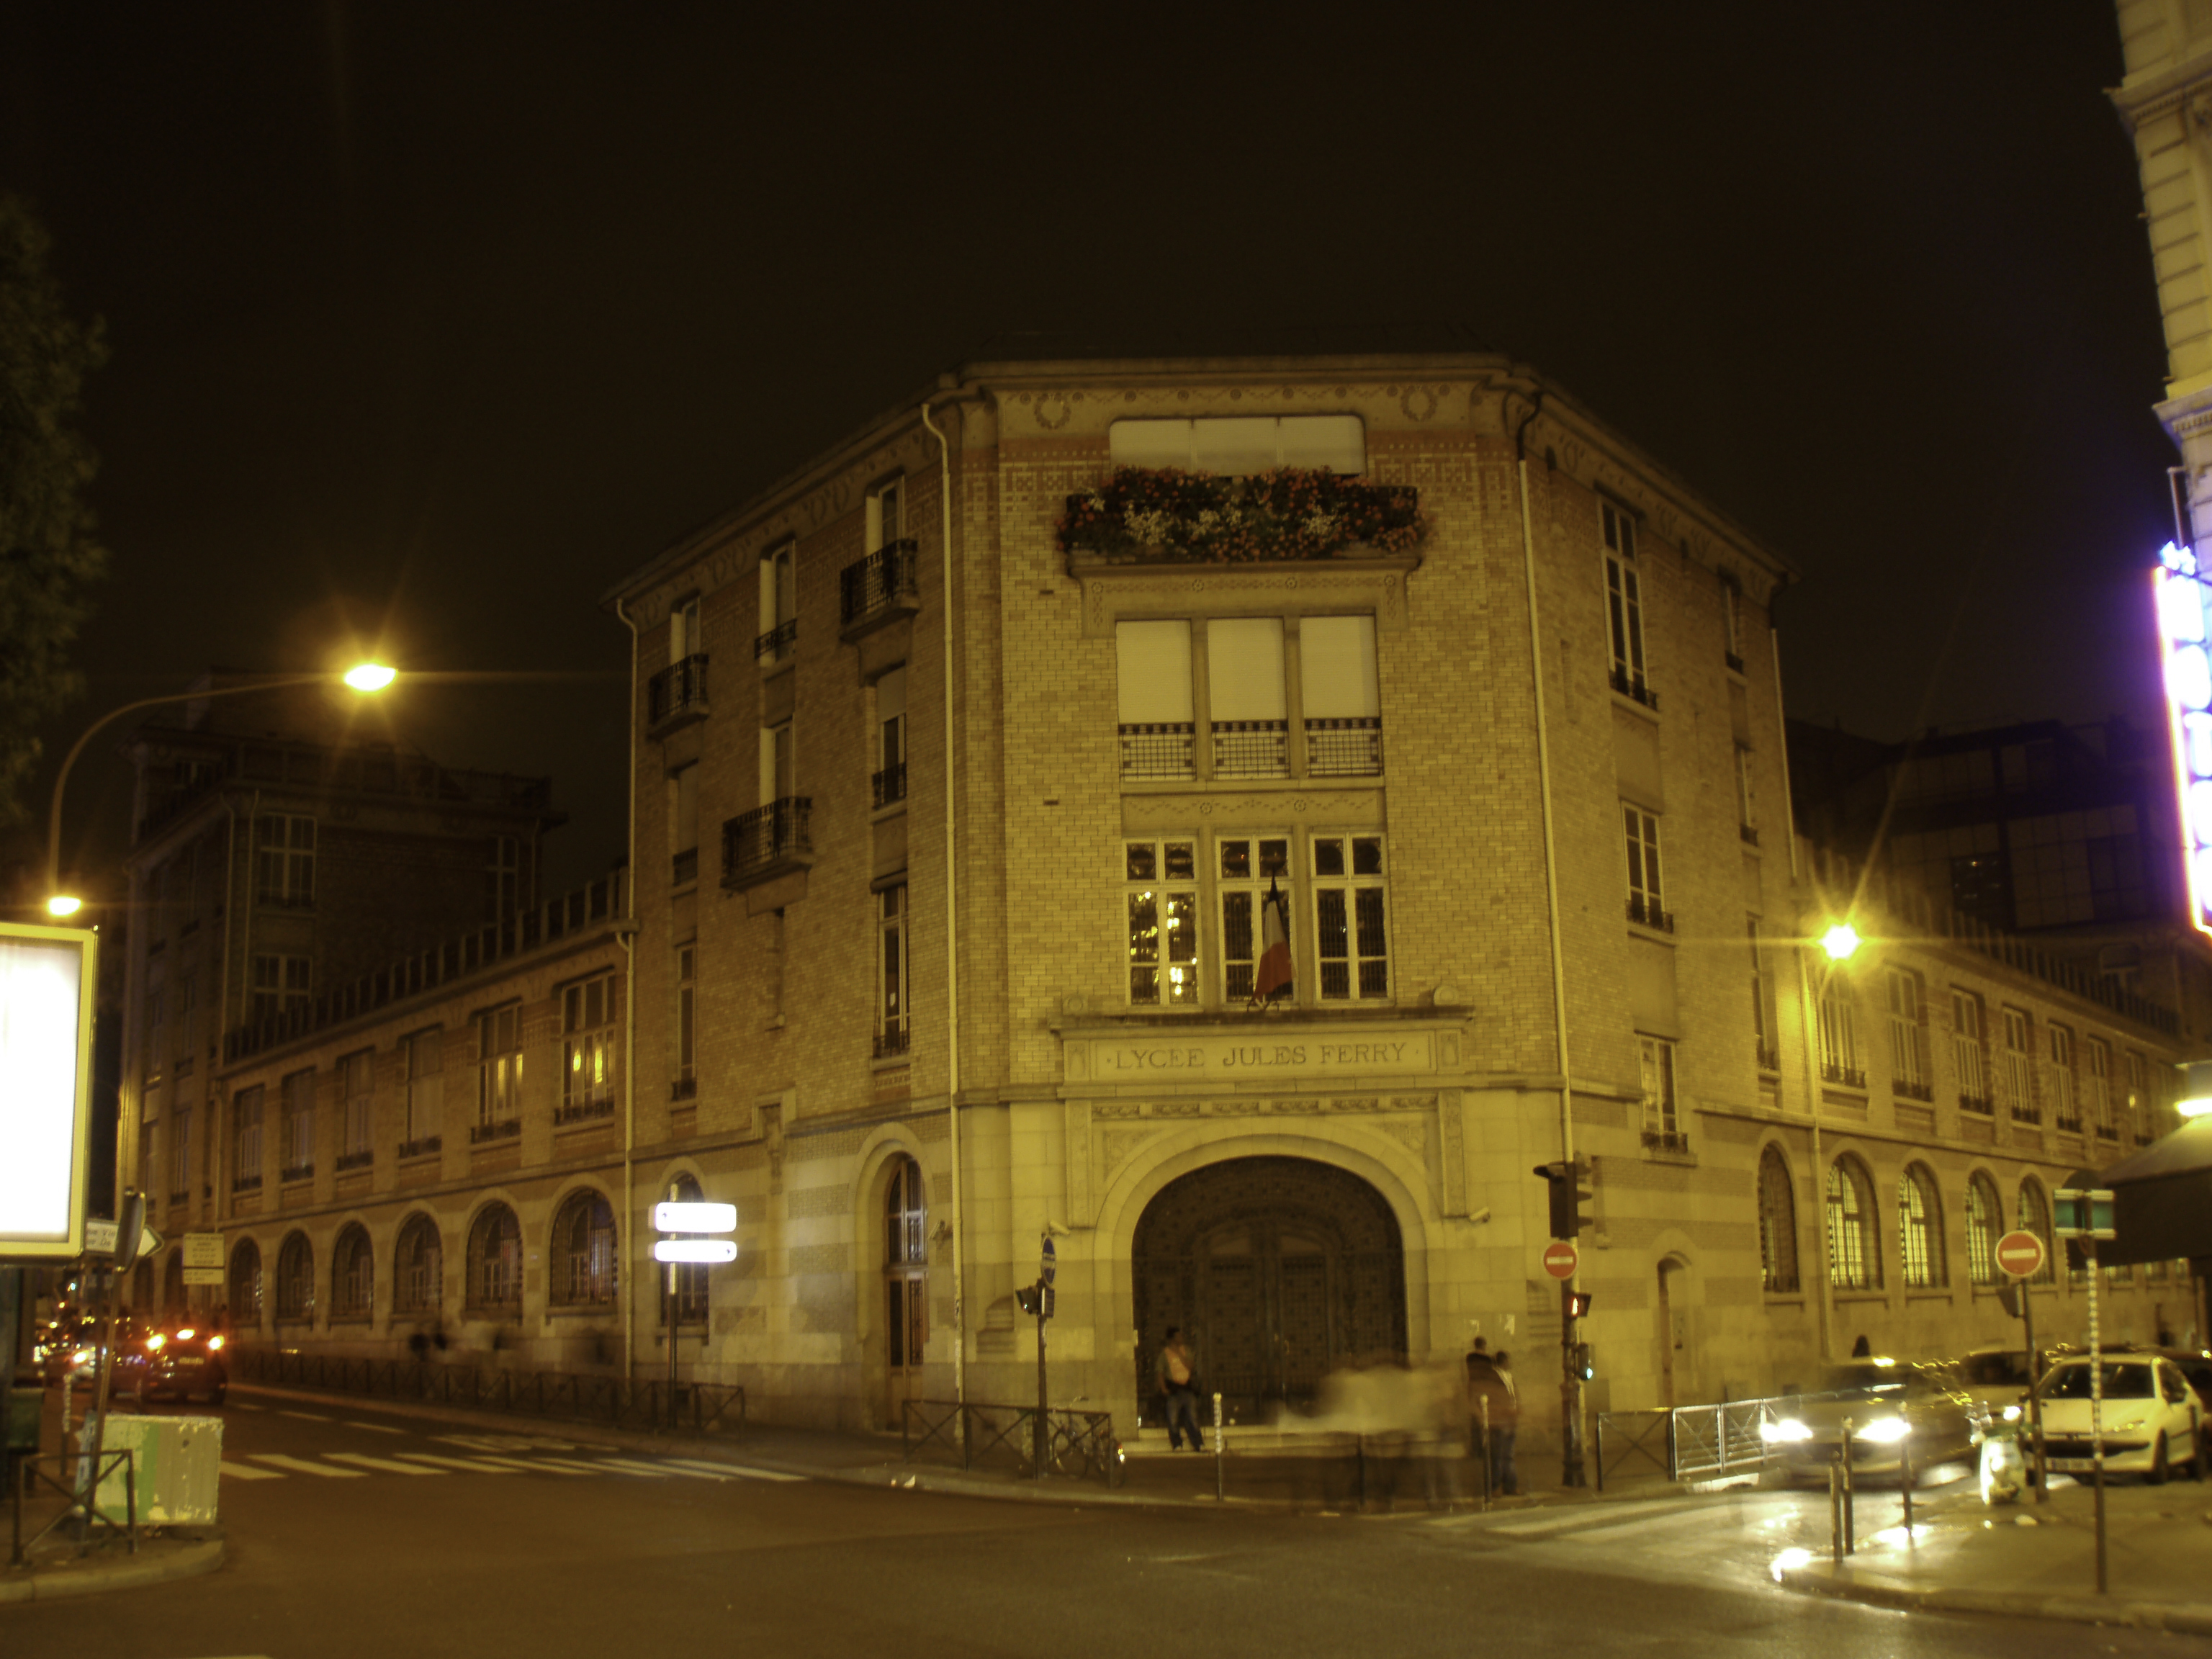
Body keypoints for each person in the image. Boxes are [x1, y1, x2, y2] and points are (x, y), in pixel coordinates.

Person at [1467, 1341, 1518, 1496]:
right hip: (1498, 1422)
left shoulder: (1509, 1377)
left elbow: (1514, 1395)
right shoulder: (1491, 1377)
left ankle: (1510, 1486)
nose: (1510, 1363)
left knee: (1508, 1456)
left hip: (1510, 1421)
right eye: (1508, 1360)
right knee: (1496, 1457)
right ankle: (1495, 1487)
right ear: (1503, 1362)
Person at [1156, 1327, 1205, 1452]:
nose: (1181, 1338)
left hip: (1187, 1388)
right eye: (1178, 1336)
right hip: (1173, 1390)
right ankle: (1177, 1444)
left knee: (1192, 1417)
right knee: (1173, 1419)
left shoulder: (1186, 1350)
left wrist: (1179, 1355)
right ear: (1172, 1338)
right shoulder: (1165, 1354)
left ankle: (1198, 1443)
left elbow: (1190, 1367)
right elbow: (1160, 1372)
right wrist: (1163, 1388)